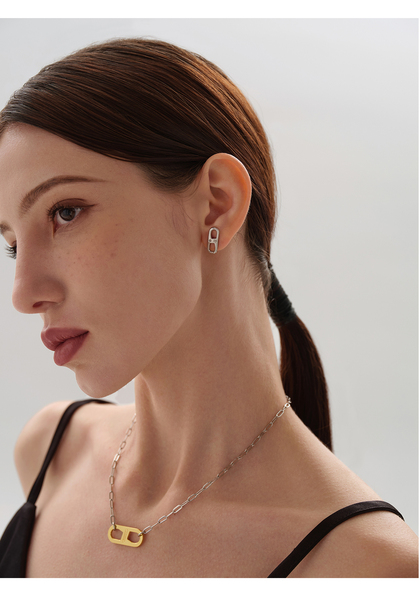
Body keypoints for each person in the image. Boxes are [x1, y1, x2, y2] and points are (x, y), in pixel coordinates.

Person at [0, 38, 417, 578]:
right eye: (12, 244)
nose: (23, 293)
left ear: (217, 203)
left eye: (66, 212)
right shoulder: (52, 451)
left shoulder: (369, 567)